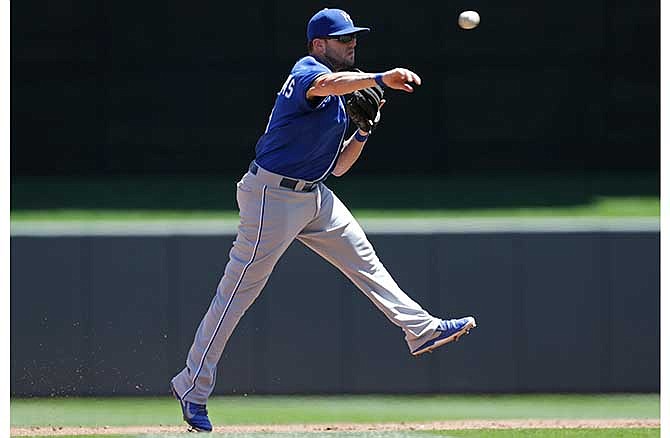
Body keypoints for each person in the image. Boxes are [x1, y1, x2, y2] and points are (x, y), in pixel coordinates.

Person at [170, 8, 476, 432]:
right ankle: (192, 386)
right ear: (318, 44)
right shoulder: (308, 71)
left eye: (354, 37)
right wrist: (380, 77)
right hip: (271, 197)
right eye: (342, 38)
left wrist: (364, 130)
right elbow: (326, 83)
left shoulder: (338, 103)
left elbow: (340, 168)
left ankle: (420, 330)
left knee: (365, 262)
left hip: (314, 195)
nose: (352, 43)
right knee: (236, 295)